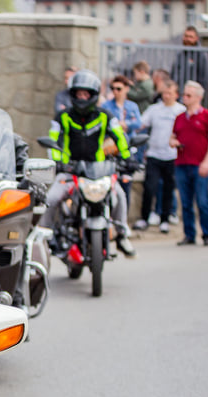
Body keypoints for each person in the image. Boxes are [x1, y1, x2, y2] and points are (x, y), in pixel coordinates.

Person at [44, 69, 136, 257]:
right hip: (71, 170)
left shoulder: (106, 116)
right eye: (79, 94)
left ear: (93, 95)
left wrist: (128, 159)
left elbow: (120, 139)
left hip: (100, 171)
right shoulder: (62, 117)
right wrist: (58, 162)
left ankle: (121, 235)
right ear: (73, 94)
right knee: (51, 198)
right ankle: (44, 237)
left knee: (119, 196)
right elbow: (54, 142)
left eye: (86, 94)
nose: (82, 97)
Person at [170, 81, 208, 246]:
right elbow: (173, 136)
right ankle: (189, 235)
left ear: (198, 97)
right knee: (185, 202)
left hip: (199, 164)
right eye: (184, 94)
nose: (185, 97)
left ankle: (207, 234)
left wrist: (207, 162)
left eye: (188, 95)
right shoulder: (179, 118)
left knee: (203, 201)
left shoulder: (207, 116)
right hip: (182, 163)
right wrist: (173, 141)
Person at [137, 80, 185, 233]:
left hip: (171, 156)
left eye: (170, 93)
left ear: (176, 95)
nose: (166, 96)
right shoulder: (154, 109)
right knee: (149, 188)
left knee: (168, 189)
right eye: (164, 93)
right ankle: (144, 218)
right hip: (154, 155)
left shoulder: (181, 111)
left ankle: (164, 219)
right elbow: (141, 124)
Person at [103, 75, 142, 205]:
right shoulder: (106, 105)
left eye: (119, 89)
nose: (115, 92)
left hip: (127, 150)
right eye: (112, 88)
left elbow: (138, 123)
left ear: (126, 89)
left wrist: (126, 124)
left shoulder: (132, 106)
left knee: (125, 187)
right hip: (110, 150)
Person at [170, 26, 208, 96]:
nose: (187, 39)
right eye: (186, 36)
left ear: (196, 38)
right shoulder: (180, 54)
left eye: (190, 37)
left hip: (193, 96)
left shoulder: (202, 55)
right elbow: (174, 74)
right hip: (180, 95)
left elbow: (206, 78)